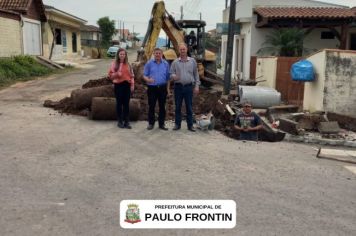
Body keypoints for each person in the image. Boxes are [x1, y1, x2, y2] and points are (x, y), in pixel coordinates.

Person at [170, 43, 200, 132]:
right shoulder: (175, 62)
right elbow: (170, 73)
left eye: (184, 49)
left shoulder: (192, 61)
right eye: (181, 49)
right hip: (178, 87)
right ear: (179, 50)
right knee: (178, 106)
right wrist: (173, 76)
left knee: (189, 107)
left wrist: (197, 86)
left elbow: (196, 75)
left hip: (188, 87)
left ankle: (190, 125)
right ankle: (177, 124)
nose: (182, 51)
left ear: (187, 50)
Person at [143, 48, 171, 130]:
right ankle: (151, 123)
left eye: (159, 53)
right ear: (153, 54)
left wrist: (168, 89)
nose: (158, 54)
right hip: (152, 88)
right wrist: (148, 80)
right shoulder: (149, 63)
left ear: (162, 54)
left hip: (162, 88)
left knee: (162, 106)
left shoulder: (166, 64)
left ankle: (161, 124)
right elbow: (144, 75)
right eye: (156, 53)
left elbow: (168, 78)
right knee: (151, 105)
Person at [108, 48, 134, 129]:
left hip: (127, 85)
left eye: (124, 54)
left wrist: (132, 85)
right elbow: (110, 76)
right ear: (118, 55)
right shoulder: (114, 64)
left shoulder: (128, 65)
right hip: (118, 86)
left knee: (126, 104)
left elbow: (132, 76)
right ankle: (120, 121)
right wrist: (116, 74)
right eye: (121, 54)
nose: (122, 55)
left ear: (126, 55)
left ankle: (127, 122)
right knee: (119, 104)